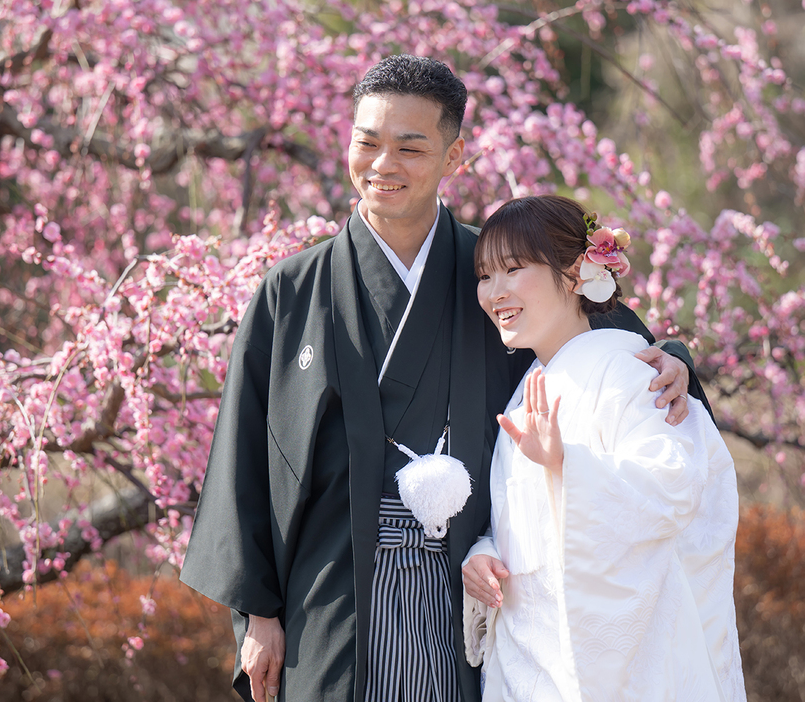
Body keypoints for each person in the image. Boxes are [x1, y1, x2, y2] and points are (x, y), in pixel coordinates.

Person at [180, 55, 701, 702]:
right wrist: (259, 614)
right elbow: (244, 459)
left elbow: (595, 328)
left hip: (470, 585)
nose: (383, 164)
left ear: (453, 157)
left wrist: (669, 357)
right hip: (331, 593)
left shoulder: (496, 275)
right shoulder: (292, 291)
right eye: (367, 142)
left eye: (410, 147)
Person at [462, 195, 746, 701]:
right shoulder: (528, 388)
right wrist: (487, 554)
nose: (495, 291)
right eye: (486, 275)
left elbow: (674, 487)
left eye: (514, 268)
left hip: (624, 667)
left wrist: (569, 464)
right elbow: (523, 522)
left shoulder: (631, 373)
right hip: (536, 661)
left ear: (576, 274)